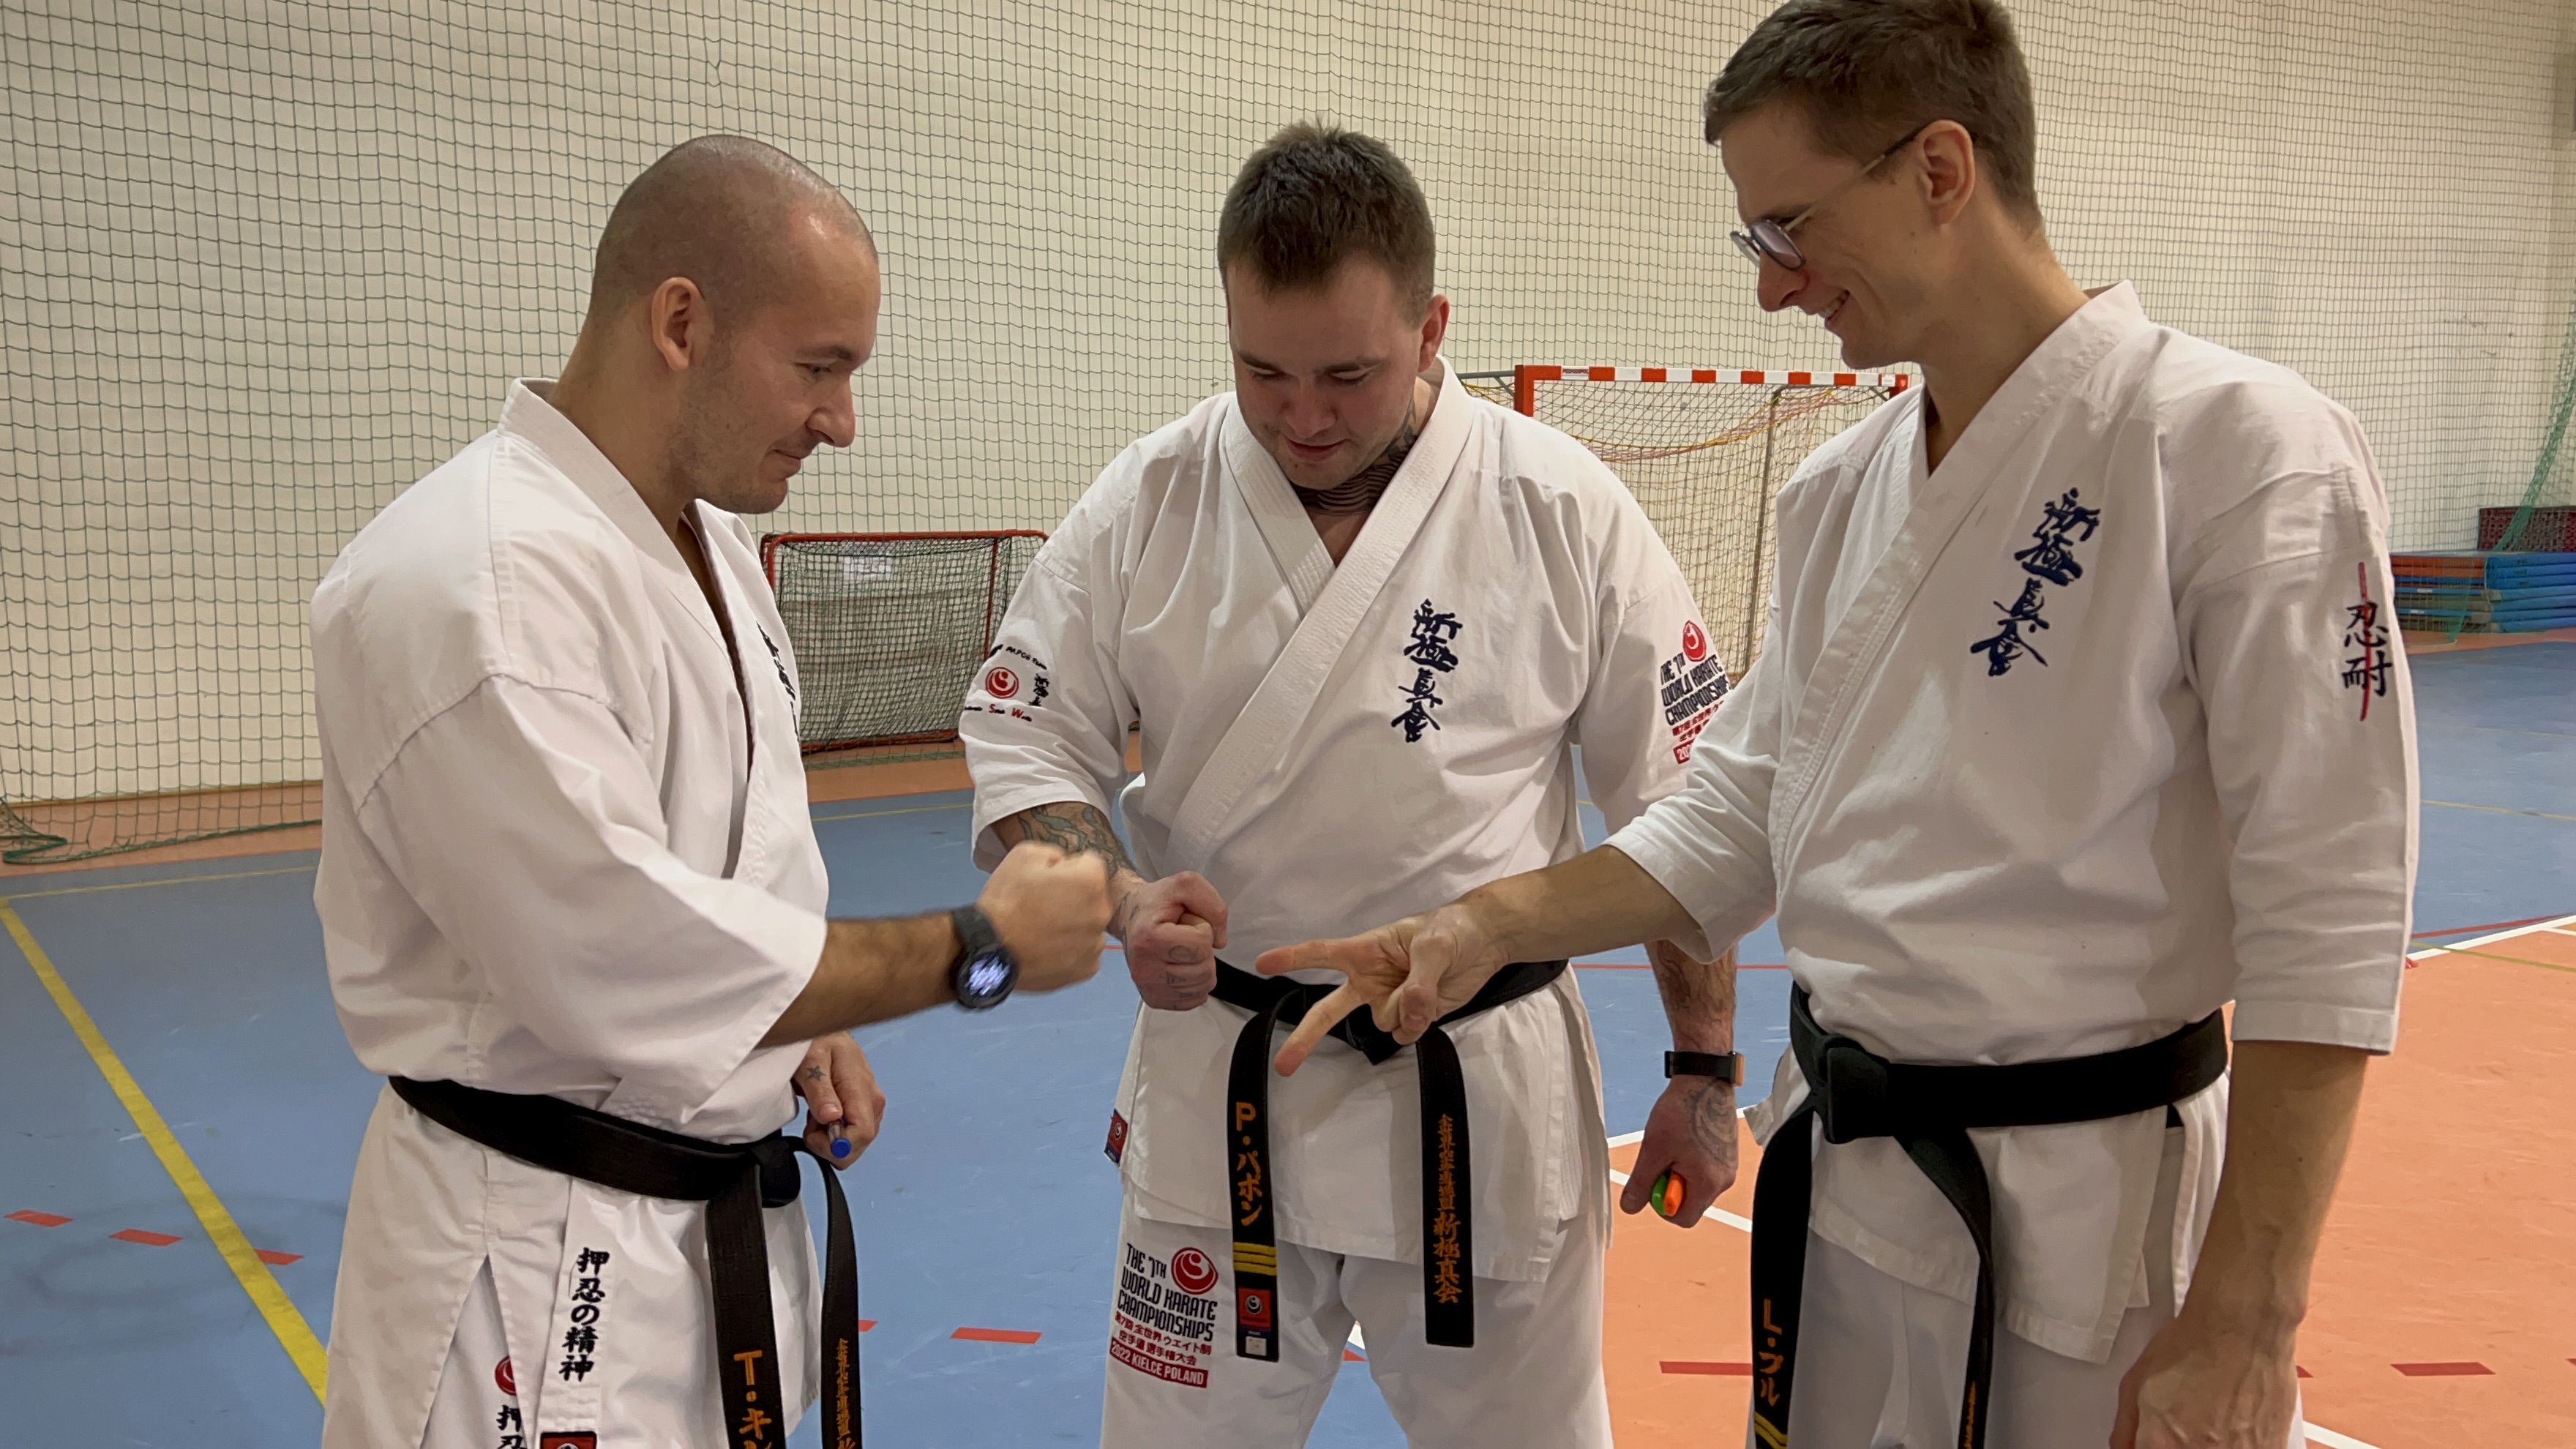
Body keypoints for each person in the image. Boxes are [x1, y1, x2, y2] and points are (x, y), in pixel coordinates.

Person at [1254, 5, 2419, 1448]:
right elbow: (1736, 812)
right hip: (1849, 1180)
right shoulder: (1840, 493)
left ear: (1939, 171)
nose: (1771, 287)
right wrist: (1482, 924)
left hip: (2088, 1215)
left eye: (1789, 227)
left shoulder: (2240, 450)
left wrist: (2248, 1321)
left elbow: (2330, 903)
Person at [310, 135, 1112, 1449]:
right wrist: (982, 949)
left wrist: (788, 1025)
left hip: (703, 1238)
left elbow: (724, 872)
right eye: (819, 367)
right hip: (533, 1271)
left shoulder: (711, 546)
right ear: (681, 322)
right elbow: (621, 956)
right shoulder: (476, 587)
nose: (842, 421)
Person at [955, 122, 1744, 1447]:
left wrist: (1705, 1071)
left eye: (1347, 375)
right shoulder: (1149, 503)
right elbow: (1029, 737)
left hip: (1478, 1104)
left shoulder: (1559, 508)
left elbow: (1688, 809)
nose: (1303, 417)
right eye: (1262, 371)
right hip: (1223, 1091)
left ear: (1432, 329)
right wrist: (1124, 899)